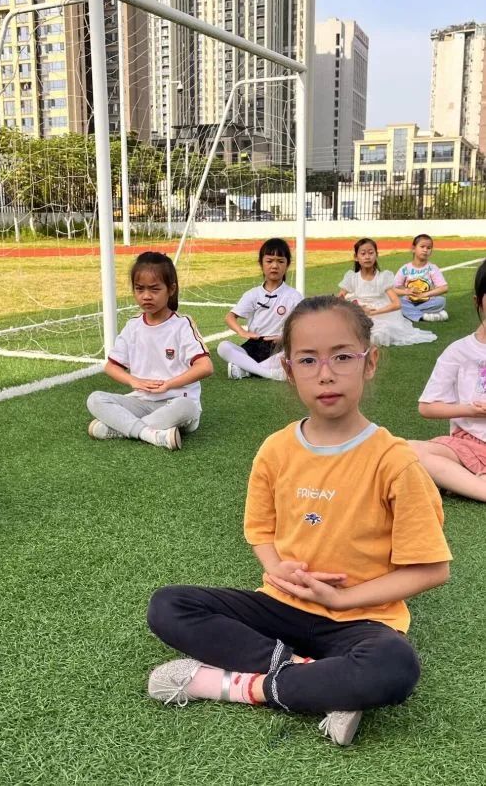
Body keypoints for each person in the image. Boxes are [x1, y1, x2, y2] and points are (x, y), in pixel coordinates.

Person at [146, 296, 451, 746]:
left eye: (343, 356)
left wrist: (346, 601)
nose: (325, 374)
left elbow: (431, 568)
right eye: (308, 360)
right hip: (281, 604)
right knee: (168, 605)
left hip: (360, 619)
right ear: (289, 371)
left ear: (370, 363)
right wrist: (274, 567)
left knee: (394, 667)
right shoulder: (275, 449)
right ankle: (320, 683)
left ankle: (234, 685)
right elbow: (261, 531)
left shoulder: (395, 462)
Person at [87, 252, 213, 451]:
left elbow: (205, 367)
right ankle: (151, 434)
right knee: (95, 399)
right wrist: (133, 381)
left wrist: (168, 385)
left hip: (176, 403)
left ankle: (118, 428)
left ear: (171, 289)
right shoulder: (133, 326)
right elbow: (111, 366)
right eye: (140, 289)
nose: (146, 296)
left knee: (187, 408)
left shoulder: (182, 325)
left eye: (154, 289)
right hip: (142, 402)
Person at [409, 259, 486, 502]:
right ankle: (477, 483)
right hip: (470, 444)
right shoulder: (459, 351)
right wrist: (471, 410)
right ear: (478, 302)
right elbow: (427, 407)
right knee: (405, 450)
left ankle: (463, 481)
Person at [217, 238, 303, 380]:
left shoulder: (294, 296)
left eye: (280, 261)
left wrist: (284, 337)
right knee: (223, 347)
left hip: (279, 346)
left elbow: (303, 325)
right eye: (269, 261)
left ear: (287, 265)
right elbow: (230, 317)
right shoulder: (253, 294)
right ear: (261, 264)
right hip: (255, 345)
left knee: (294, 354)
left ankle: (246, 369)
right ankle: (269, 373)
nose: (274, 266)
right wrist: (243, 332)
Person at [338, 238, 436, 346]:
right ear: (356, 257)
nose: (367, 257)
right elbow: (339, 299)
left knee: (379, 334)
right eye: (363, 253)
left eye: (371, 253)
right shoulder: (352, 277)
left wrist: (373, 313)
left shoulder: (383, 277)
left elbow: (396, 304)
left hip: (381, 314)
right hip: (359, 313)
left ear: (376, 255)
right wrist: (358, 309)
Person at [394, 234, 449, 322]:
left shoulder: (432, 268)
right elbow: (394, 288)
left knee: (441, 301)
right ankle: (425, 316)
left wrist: (424, 295)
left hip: (427, 301)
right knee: (396, 302)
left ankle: (410, 313)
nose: (425, 250)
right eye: (422, 246)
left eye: (429, 248)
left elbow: (444, 288)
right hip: (408, 301)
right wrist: (406, 291)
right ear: (413, 249)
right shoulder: (405, 268)